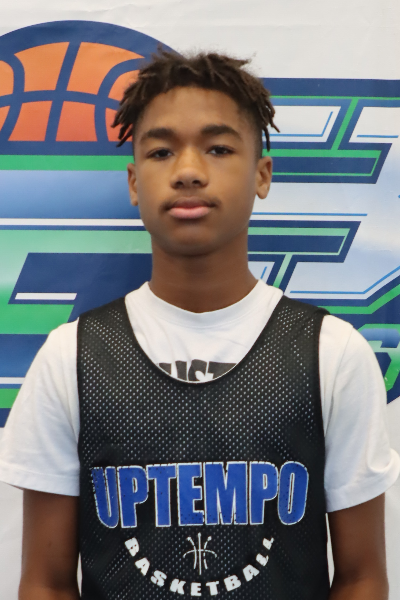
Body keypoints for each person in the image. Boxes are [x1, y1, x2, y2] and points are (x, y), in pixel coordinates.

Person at [0, 51, 398, 600]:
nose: (188, 170)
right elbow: (45, 584)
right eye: (162, 151)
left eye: (218, 148)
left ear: (262, 175)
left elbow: (362, 578)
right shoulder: (71, 357)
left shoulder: (331, 353)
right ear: (134, 182)